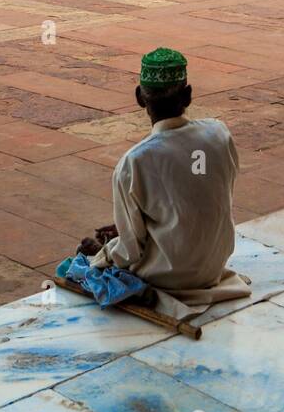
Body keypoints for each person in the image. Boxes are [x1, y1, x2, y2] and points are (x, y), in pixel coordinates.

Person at [78, 48, 251, 322]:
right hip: (214, 267)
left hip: (172, 278)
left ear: (139, 97)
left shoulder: (134, 162)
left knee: (96, 259)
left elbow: (130, 251)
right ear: (188, 95)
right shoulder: (219, 133)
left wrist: (101, 256)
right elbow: (203, 194)